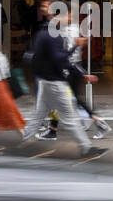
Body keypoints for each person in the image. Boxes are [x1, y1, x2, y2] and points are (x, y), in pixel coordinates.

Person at [20, 10, 107, 158]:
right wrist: (75, 46)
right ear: (58, 16)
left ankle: (22, 142)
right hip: (55, 83)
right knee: (70, 118)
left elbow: (52, 58)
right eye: (68, 15)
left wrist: (80, 74)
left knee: (38, 116)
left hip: (44, 82)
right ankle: (86, 148)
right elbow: (60, 59)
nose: (70, 19)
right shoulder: (54, 35)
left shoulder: (43, 32)